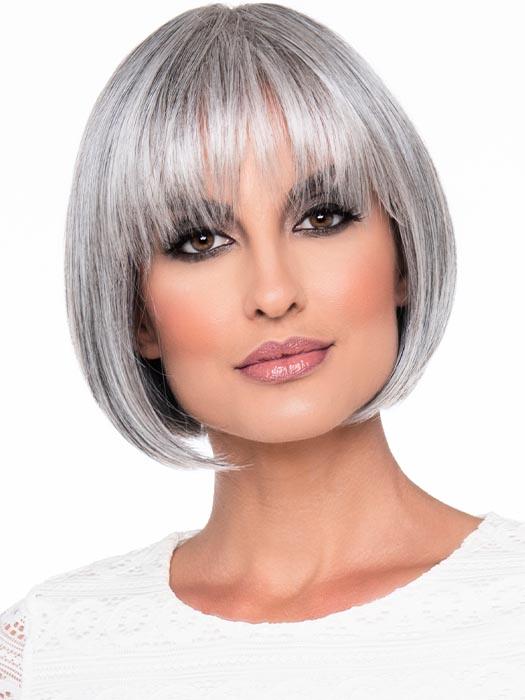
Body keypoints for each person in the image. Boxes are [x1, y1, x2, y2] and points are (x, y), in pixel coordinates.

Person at [1, 3, 524, 698]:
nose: (273, 294)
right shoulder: (46, 655)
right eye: (199, 241)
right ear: (137, 314)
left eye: (321, 217)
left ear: (402, 256)